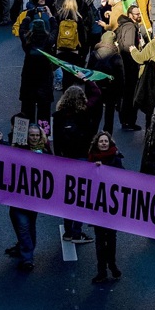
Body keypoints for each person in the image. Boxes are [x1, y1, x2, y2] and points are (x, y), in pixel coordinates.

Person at [2, 117, 49, 272]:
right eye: (31, 135)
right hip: (17, 197)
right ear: (26, 137)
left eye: (37, 135)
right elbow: (6, 153)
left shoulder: (45, 152)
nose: (34, 138)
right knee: (23, 226)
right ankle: (27, 258)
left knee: (30, 226)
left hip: (33, 199)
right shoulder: (19, 149)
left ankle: (27, 250)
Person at [52, 86, 96, 244]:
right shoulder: (83, 115)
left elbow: (56, 141)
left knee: (68, 197)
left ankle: (68, 231)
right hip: (81, 160)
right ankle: (77, 233)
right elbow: (90, 137)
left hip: (64, 161)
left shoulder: (57, 116)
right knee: (81, 198)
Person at [86, 132, 124, 283]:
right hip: (97, 205)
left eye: (105, 141)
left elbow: (123, 177)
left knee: (111, 238)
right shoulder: (91, 158)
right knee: (100, 239)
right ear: (97, 144)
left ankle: (112, 265)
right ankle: (101, 270)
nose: (103, 143)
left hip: (111, 205)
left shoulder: (116, 158)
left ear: (109, 143)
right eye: (101, 141)